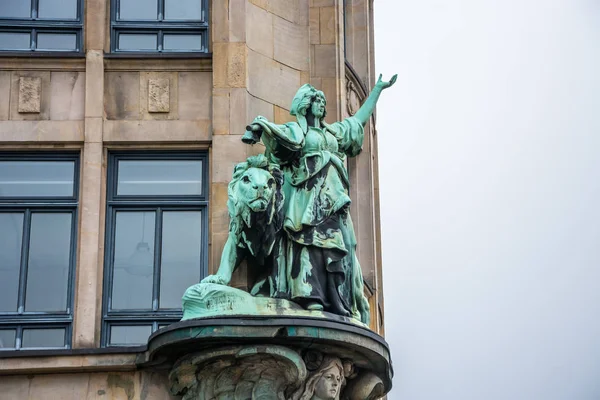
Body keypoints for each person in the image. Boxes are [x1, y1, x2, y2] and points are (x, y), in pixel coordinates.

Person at [243, 75, 396, 324]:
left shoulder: (333, 132)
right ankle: (310, 295)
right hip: (307, 198)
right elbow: (280, 136)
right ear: (306, 104)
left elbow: (357, 121)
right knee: (309, 244)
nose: (322, 105)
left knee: (342, 245)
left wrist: (377, 91)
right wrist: (262, 126)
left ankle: (337, 299)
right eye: (317, 101)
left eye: (323, 102)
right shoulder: (297, 130)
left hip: (333, 200)